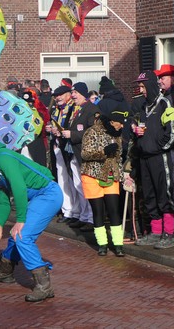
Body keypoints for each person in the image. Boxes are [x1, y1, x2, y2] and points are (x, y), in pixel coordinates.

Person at [0, 129, 63, 303]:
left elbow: (19, 188)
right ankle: (5, 271)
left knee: (22, 236)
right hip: (39, 196)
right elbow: (3, 200)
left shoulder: (3, 158)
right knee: (16, 234)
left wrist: (20, 220)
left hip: (48, 194)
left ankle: (44, 286)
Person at [131, 71, 174, 249]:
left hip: (159, 157)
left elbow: (171, 132)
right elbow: (140, 127)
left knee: (164, 194)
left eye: (143, 86)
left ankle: (169, 233)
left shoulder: (165, 104)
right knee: (149, 195)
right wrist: (137, 131)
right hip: (145, 157)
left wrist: (158, 147)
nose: (141, 90)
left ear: (150, 86)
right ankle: (156, 231)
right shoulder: (143, 106)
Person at [80, 95, 130, 256]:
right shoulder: (92, 131)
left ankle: (118, 245)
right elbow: (85, 153)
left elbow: (118, 158)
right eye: (120, 122)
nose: (122, 125)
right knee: (98, 211)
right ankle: (102, 244)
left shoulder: (117, 134)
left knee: (114, 210)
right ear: (112, 121)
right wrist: (103, 152)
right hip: (92, 175)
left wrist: (121, 176)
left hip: (110, 175)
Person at [56, 82, 99, 231]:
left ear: (83, 94)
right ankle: (83, 215)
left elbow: (94, 133)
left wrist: (72, 134)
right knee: (77, 185)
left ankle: (92, 218)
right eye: (72, 92)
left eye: (76, 93)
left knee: (87, 186)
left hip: (84, 153)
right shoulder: (76, 109)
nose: (73, 95)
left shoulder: (92, 110)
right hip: (74, 152)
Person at [45, 85, 78, 223]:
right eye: (56, 96)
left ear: (68, 94)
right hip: (58, 146)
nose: (57, 98)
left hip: (68, 148)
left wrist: (60, 132)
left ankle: (76, 212)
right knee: (62, 179)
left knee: (73, 180)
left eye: (60, 95)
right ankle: (68, 210)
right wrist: (50, 129)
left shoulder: (72, 108)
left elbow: (71, 128)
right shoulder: (56, 109)